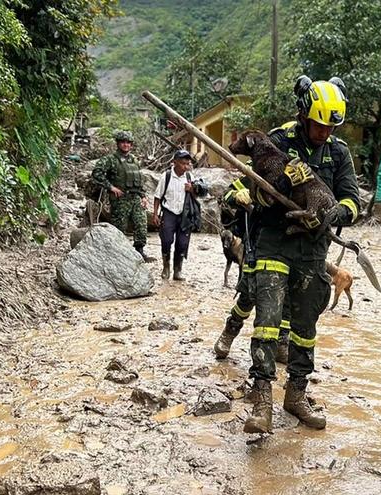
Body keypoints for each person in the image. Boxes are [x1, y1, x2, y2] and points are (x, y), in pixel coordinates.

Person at [241, 76, 360, 435]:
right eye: (318, 125)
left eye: (330, 127)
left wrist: (339, 212)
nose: (324, 132)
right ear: (304, 115)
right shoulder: (277, 141)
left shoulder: (338, 153)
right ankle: (262, 401)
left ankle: (296, 395)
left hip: (312, 251)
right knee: (267, 322)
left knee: (305, 328)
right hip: (275, 243)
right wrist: (278, 188)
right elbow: (255, 193)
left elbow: (354, 199)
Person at [213, 175, 291, 364]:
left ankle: (282, 343)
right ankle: (230, 331)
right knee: (249, 294)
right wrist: (238, 195)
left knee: (288, 299)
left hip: (290, 243)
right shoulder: (262, 166)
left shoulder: (299, 170)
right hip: (258, 243)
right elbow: (228, 195)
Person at [92, 130, 153, 262]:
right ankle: (118, 254)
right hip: (120, 199)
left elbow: (139, 179)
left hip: (135, 197)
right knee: (119, 227)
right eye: (123, 142)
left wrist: (143, 196)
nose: (126, 145)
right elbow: (97, 173)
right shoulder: (110, 159)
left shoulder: (134, 160)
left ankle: (139, 251)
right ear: (118, 143)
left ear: (131, 145)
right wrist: (111, 187)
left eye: (128, 143)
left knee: (141, 224)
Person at [152, 149, 208, 280]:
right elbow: (157, 196)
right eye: (183, 163)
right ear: (174, 163)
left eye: (188, 164)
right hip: (169, 213)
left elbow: (197, 195)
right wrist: (155, 215)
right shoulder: (166, 176)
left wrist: (192, 189)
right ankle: (166, 267)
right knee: (166, 240)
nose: (186, 166)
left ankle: (178, 270)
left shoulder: (189, 177)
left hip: (185, 214)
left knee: (182, 243)